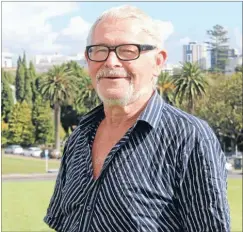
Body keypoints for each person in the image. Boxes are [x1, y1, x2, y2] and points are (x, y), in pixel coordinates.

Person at [44, 5, 230, 232]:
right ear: (88, 59)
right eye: (100, 49)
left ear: (158, 62)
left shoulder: (190, 138)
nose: (111, 62)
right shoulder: (79, 138)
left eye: (128, 50)